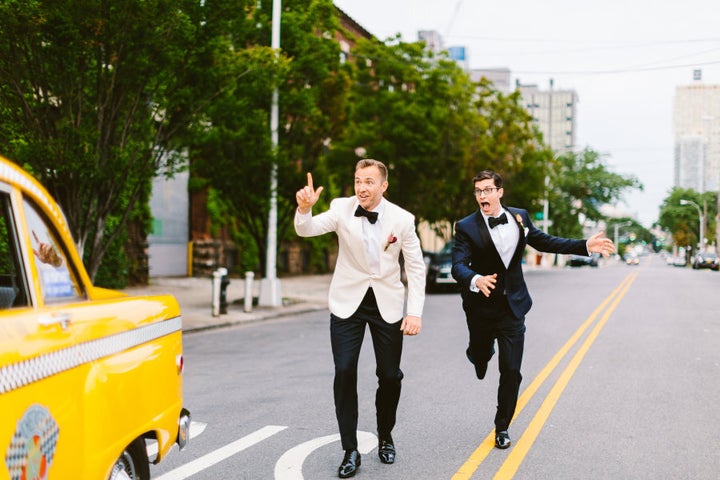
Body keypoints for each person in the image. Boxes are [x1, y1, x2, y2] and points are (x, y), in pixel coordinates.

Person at [451, 170, 615, 450]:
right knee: (480, 352)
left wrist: (584, 245)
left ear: (499, 192)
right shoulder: (466, 226)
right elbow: (458, 264)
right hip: (481, 308)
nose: (482, 196)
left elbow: (545, 241)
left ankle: (502, 427)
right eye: (478, 191)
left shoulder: (520, 217)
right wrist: (475, 279)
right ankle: (480, 356)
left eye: (488, 190)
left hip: (513, 308)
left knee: (512, 371)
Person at [294, 159, 426, 478]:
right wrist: (304, 209)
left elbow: (416, 267)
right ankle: (350, 449)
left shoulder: (403, 220)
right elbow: (307, 230)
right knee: (344, 370)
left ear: (383, 186)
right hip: (347, 302)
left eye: (368, 181)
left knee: (390, 375)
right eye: (357, 180)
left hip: (388, 305)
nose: (361, 187)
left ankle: (385, 434)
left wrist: (415, 312)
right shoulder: (341, 208)